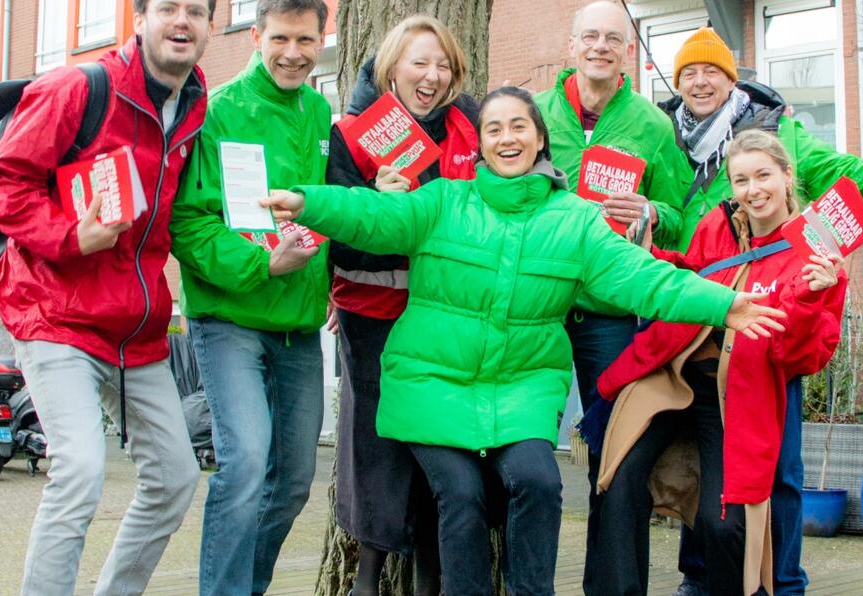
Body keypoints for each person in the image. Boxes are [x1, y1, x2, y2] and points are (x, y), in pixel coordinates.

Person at [262, 86, 787, 596]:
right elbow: (371, 215)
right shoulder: (444, 199)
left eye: (519, 126)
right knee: (461, 494)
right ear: (481, 145)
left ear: (540, 139)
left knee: (539, 482)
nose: (506, 138)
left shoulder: (576, 221)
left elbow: (645, 279)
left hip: (522, 389)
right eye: (494, 129)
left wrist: (724, 305)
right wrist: (306, 202)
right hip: (431, 385)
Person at [653, 27, 863, 596]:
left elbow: (849, 179)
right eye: (687, 72)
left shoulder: (779, 133)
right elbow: (666, 220)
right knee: (705, 469)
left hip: (765, 332)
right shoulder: (668, 142)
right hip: (696, 333)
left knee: (777, 475)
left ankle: (782, 582)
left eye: (711, 70)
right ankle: (700, 576)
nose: (699, 81)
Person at [0, 1, 213, 594]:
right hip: (53, 310)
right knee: (80, 471)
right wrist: (69, 234)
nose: (182, 22)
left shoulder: (196, 108)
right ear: (139, 18)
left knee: (178, 477)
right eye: (168, 9)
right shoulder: (79, 88)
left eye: (198, 12)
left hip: (135, 325)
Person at [584, 129, 848, 596]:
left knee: (724, 523)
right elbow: (693, 276)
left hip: (740, 394)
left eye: (763, 175)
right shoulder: (718, 224)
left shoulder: (817, 247)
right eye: (741, 180)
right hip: (671, 373)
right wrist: (651, 256)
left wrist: (813, 296)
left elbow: (803, 358)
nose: (753, 190)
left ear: (788, 177)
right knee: (616, 482)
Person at [168, 0, 330, 593]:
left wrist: (329, 278)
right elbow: (187, 224)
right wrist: (264, 263)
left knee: (293, 481)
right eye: (281, 38)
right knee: (242, 467)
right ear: (256, 35)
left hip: (300, 326)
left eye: (306, 40)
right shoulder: (217, 112)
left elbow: (324, 211)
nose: (293, 52)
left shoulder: (319, 111)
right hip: (229, 319)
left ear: (322, 38)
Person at [532, 0, 691, 563]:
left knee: (619, 454)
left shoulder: (651, 124)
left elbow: (680, 213)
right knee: (520, 452)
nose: (600, 46)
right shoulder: (536, 113)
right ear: (570, 48)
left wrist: (650, 209)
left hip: (611, 308)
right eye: (590, 37)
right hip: (538, 306)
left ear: (628, 50)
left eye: (613, 38)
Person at [324, 15, 478, 596]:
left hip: (444, 318)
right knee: (376, 446)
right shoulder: (350, 134)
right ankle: (367, 576)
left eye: (443, 66)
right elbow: (336, 238)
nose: (432, 76)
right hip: (372, 319)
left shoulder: (472, 130)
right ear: (391, 66)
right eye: (420, 62)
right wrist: (375, 207)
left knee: (439, 449)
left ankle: (428, 578)